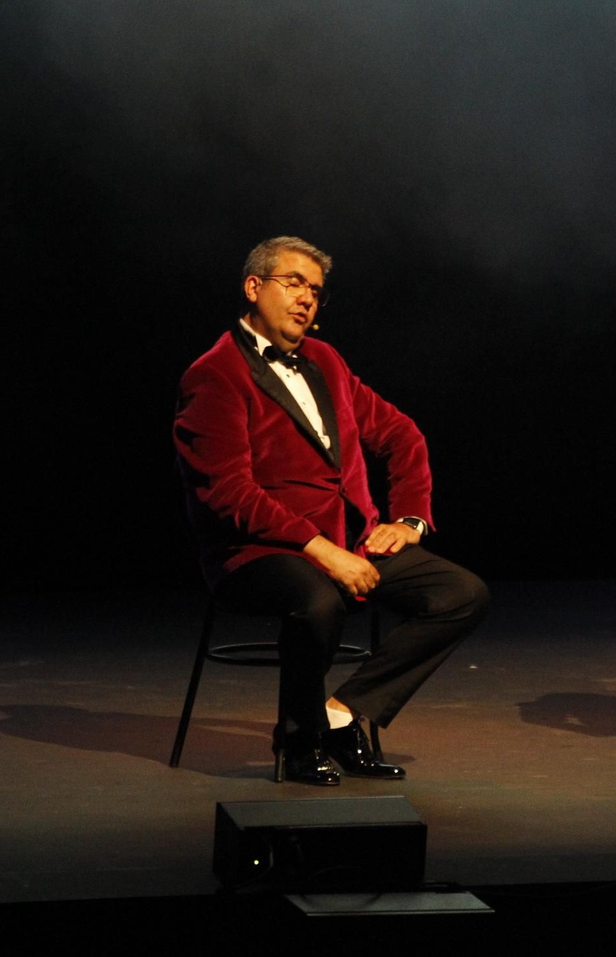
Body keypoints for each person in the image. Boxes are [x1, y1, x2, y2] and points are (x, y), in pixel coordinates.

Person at [175, 236, 489, 785]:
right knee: (320, 602)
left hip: (349, 539)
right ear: (254, 287)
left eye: (315, 292)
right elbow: (228, 492)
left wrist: (410, 519)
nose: (305, 299)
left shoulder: (325, 360)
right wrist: (322, 551)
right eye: (292, 283)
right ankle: (299, 742)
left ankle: (340, 715)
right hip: (258, 552)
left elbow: (402, 434)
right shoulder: (214, 373)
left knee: (460, 594)